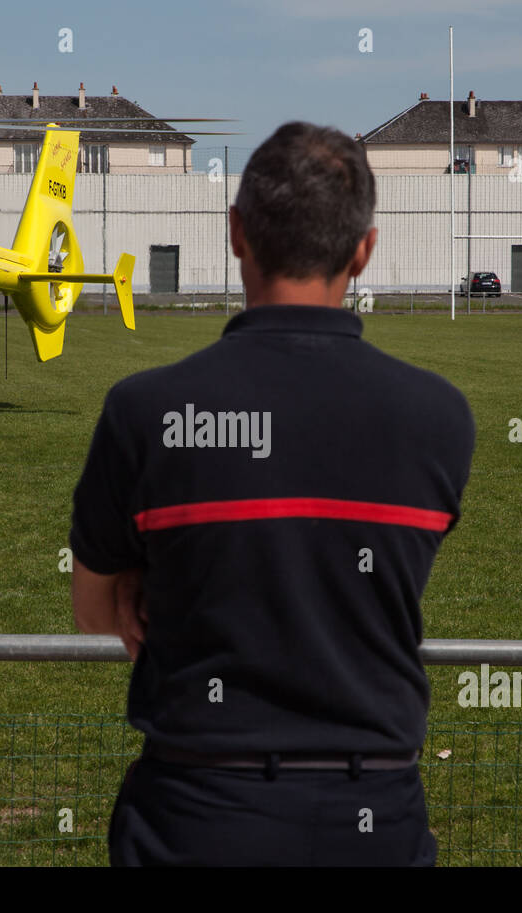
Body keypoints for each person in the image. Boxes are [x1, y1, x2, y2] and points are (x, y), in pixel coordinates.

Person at [68, 121, 475, 866]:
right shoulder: (439, 417)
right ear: (364, 250)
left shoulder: (145, 410)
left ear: (236, 234)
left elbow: (95, 610)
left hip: (196, 816)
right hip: (372, 817)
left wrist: (141, 576)